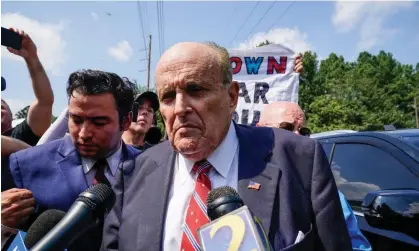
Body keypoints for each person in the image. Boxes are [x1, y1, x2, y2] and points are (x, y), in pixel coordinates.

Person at [102, 42, 352, 251]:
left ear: (232, 96)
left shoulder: (300, 160)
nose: (179, 108)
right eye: (168, 97)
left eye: (195, 90)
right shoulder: (133, 173)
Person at [3, 70, 141, 251]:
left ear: (126, 121)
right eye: (76, 120)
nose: (84, 134)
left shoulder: (149, 168)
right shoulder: (25, 166)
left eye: (98, 122)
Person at [257, 101, 372, 251]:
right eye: (286, 129)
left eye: (303, 131)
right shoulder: (239, 177)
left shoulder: (327, 194)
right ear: (259, 130)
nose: (297, 137)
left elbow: (356, 246)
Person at [1, 28, 54, 146]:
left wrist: (31, 57)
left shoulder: (21, 136)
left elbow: (44, 101)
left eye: (2, 105)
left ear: (11, 115)